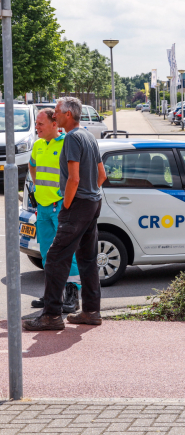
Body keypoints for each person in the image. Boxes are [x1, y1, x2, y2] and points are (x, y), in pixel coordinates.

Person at [23, 97, 107, 331]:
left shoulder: (71, 138)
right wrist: (91, 195)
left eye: (58, 112)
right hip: (92, 203)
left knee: (55, 258)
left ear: (68, 115)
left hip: (77, 205)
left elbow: (74, 178)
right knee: (87, 259)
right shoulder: (89, 136)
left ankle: (51, 315)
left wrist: (67, 205)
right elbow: (102, 175)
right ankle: (91, 311)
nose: (55, 115)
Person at [28, 109, 80, 313]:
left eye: (41, 123)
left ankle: (73, 295)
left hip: (60, 207)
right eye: (37, 124)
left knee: (68, 253)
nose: (37, 127)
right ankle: (52, 295)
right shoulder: (38, 145)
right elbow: (32, 166)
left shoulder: (67, 143)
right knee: (46, 253)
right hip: (42, 207)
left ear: (53, 124)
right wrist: (37, 187)